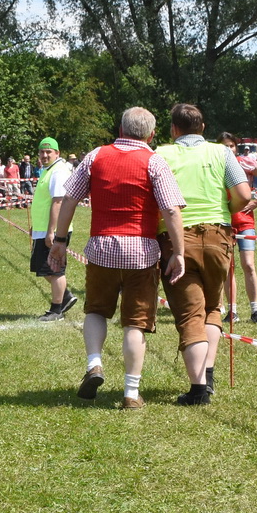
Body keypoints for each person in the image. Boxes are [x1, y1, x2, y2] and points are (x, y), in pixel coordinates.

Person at [47, 106, 186, 409]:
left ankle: (94, 364)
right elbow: (172, 210)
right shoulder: (154, 161)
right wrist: (179, 252)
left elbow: (70, 198)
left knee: (96, 310)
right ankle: (131, 393)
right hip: (141, 252)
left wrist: (59, 241)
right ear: (151, 134)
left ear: (120, 129)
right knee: (135, 324)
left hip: (101, 248)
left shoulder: (96, 156)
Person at [156, 104, 252, 405]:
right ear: (202, 127)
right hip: (217, 235)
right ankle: (207, 374)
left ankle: (198, 390)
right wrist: (227, 211)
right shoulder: (222, 153)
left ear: (174, 129)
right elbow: (245, 195)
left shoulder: (161, 154)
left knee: (189, 315)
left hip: (176, 240)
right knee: (212, 307)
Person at [227, 131, 257, 323]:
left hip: (245, 221)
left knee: (248, 265)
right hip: (225, 221)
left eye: (231, 145)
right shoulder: (217, 164)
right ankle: (232, 311)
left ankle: (255, 311)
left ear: (236, 147)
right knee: (228, 268)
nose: (228, 149)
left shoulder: (244, 162)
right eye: (224, 145)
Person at [30, 138, 79, 322]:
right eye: (42, 152)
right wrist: (37, 226)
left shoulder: (58, 172)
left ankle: (56, 309)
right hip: (43, 229)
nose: (44, 155)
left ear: (57, 153)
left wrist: (52, 232)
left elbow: (58, 202)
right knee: (42, 268)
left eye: (48, 152)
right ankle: (65, 297)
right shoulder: (48, 170)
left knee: (54, 269)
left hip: (55, 231)